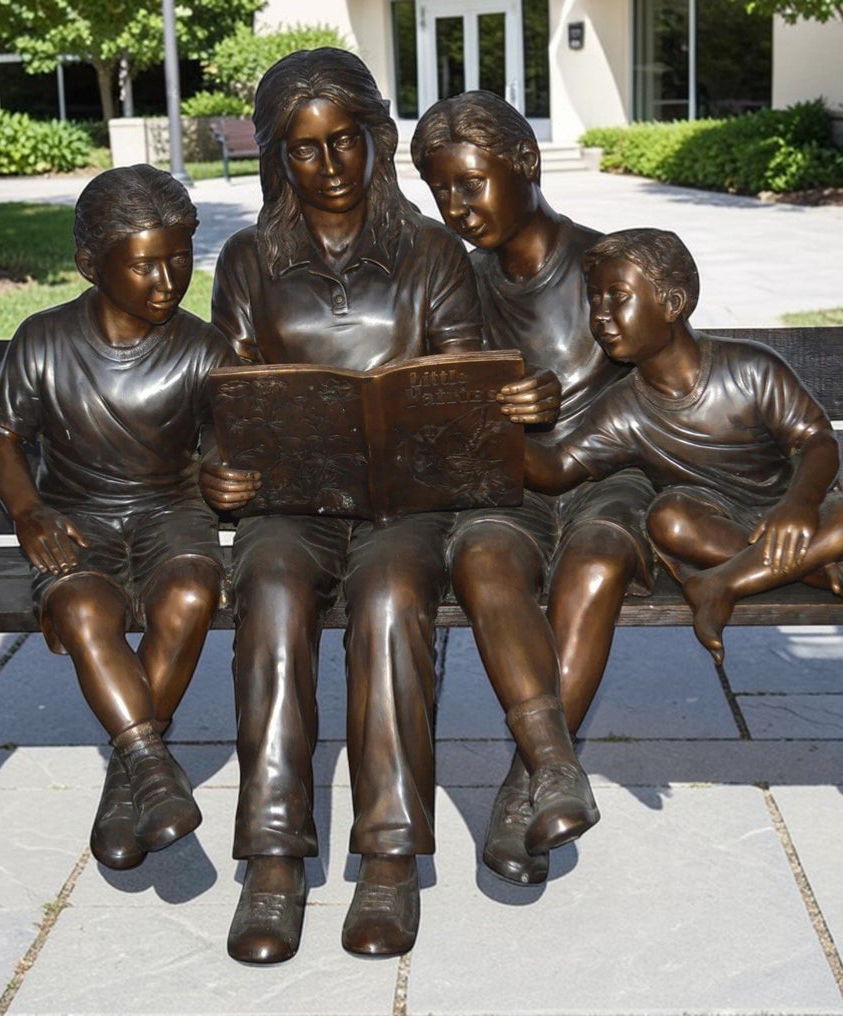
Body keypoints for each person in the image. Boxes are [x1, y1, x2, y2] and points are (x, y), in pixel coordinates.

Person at [202, 49, 546, 963]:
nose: (327, 165)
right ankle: (272, 859)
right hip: (292, 497)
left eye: (343, 141)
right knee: (269, 588)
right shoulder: (246, 261)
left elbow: (465, 384)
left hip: (407, 504)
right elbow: (224, 398)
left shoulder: (431, 253)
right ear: (279, 158)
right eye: (303, 150)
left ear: (372, 137)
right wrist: (219, 472)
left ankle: (389, 858)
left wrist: (476, 413)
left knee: (393, 600)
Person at [411, 92, 656, 886]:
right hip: (507, 489)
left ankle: (525, 783)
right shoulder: (457, 284)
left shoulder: (607, 267)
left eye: (471, 183)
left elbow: (672, 381)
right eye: (439, 189)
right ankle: (554, 763)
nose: (456, 207)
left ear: (527, 165)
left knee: (594, 562)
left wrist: (567, 404)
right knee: (480, 557)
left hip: (609, 481)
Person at [0, 164, 234, 872]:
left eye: (179, 258)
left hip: (171, 517)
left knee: (187, 594)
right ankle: (151, 765)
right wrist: (27, 509)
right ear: (91, 265)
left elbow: (222, 446)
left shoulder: (202, 349)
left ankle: (130, 780)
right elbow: (0, 435)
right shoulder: (44, 339)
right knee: (84, 605)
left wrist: (225, 474)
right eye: (145, 264)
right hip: (77, 521)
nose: (167, 280)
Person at [523, 228, 843, 663]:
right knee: (668, 519)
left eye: (618, 296)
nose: (601, 315)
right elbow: (557, 469)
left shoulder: (750, 368)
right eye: (595, 300)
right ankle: (815, 569)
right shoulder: (622, 408)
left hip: (789, 508)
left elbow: (817, 441)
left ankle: (721, 583)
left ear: (672, 304)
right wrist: (490, 428)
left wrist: (799, 505)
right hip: (714, 523)